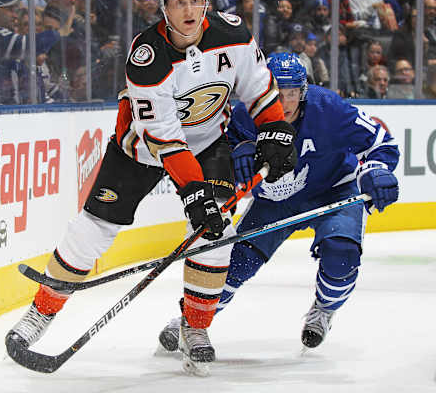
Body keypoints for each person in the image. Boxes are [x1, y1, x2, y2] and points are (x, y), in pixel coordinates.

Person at [5, 0, 295, 377]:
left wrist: (276, 130)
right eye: (179, 3)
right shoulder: (148, 57)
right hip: (140, 149)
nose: (189, 10)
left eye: (196, 0)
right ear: (164, 8)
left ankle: (195, 329)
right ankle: (40, 315)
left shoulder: (233, 35)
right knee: (91, 231)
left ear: (207, 3)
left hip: (209, 140)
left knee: (218, 233)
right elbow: (164, 138)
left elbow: (260, 91)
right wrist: (193, 190)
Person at [159, 52, 399, 353]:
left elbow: (381, 143)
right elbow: (219, 152)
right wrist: (237, 155)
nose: (284, 103)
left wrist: (375, 171)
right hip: (276, 200)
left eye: (292, 94)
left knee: (342, 255)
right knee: (236, 265)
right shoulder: (246, 113)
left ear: (304, 91)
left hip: (334, 191)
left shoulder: (330, 109)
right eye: (277, 93)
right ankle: (192, 321)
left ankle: (324, 310)